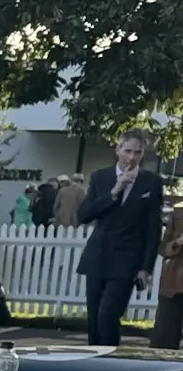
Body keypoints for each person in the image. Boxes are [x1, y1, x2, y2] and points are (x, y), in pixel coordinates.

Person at [77, 129, 165, 348]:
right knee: (94, 318)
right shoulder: (101, 177)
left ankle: (109, 361)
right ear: (117, 150)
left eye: (138, 152)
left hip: (127, 260)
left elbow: (153, 230)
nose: (132, 157)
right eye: (127, 151)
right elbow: (84, 215)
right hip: (98, 256)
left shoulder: (152, 183)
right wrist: (115, 191)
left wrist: (146, 268)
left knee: (108, 315)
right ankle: (93, 364)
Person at [155, 197, 183, 352]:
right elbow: (163, 248)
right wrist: (177, 243)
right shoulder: (179, 212)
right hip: (174, 283)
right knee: (164, 338)